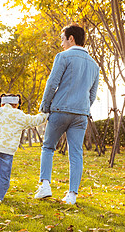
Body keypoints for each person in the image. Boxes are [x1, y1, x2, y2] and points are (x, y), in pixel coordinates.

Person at [34, 24, 99, 205]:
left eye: (62, 39)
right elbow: (92, 95)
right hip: (81, 114)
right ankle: (72, 195)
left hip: (60, 110)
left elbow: (52, 83)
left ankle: (45, 185)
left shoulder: (63, 57)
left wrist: (45, 107)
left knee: (48, 147)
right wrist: (82, 109)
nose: (61, 44)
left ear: (71, 38)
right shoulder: (94, 65)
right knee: (76, 153)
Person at [0, 94, 48, 204]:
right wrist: (45, 114)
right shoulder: (18, 114)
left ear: (2, 103)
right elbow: (34, 121)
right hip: (7, 149)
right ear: (16, 104)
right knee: (4, 173)